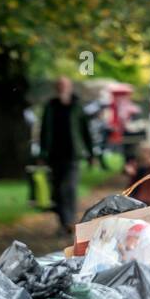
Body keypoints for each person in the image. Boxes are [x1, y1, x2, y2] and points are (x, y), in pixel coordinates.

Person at [38, 76, 96, 234]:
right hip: (54, 154)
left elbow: (85, 131)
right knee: (57, 189)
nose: (62, 88)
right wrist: (42, 153)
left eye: (64, 85)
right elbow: (44, 131)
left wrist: (91, 153)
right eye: (59, 86)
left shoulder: (76, 106)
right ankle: (64, 222)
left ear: (70, 87)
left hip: (72, 154)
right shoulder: (51, 106)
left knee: (69, 188)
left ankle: (69, 221)